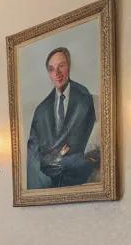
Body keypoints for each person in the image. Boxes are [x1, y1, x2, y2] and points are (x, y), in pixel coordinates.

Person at [26, 45, 99, 188]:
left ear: (69, 67)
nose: (57, 73)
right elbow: (36, 156)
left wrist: (54, 159)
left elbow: (82, 147)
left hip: (79, 178)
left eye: (61, 66)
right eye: (52, 69)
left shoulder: (84, 98)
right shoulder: (41, 111)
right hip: (50, 184)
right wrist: (55, 159)